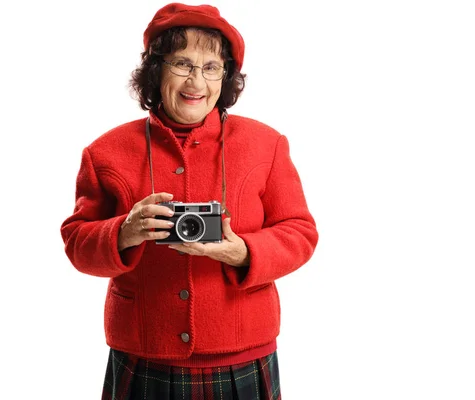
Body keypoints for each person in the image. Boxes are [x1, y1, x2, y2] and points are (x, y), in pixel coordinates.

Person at [60, 3, 318, 399]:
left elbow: (300, 232)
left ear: (225, 77)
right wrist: (123, 232)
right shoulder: (105, 152)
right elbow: (77, 243)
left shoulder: (267, 145)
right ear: (155, 69)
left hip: (243, 353)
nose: (196, 81)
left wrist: (243, 252)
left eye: (211, 67)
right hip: (144, 354)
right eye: (182, 63)